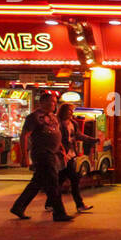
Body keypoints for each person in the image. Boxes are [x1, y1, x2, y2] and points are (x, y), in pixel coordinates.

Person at [10, 91, 72, 222]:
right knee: (53, 183)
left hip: (53, 153)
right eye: (51, 101)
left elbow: (56, 133)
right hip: (42, 154)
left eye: (55, 102)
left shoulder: (53, 117)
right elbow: (25, 135)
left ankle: (18, 207)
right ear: (42, 102)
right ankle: (59, 212)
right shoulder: (34, 117)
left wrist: (60, 147)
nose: (53, 104)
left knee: (37, 182)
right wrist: (24, 156)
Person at [46, 103, 94, 213]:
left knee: (60, 180)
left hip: (71, 155)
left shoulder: (73, 123)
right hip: (62, 155)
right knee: (74, 179)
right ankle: (79, 204)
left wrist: (92, 139)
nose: (71, 113)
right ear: (63, 111)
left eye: (72, 111)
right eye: (69, 111)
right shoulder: (57, 123)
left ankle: (50, 203)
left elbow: (78, 135)